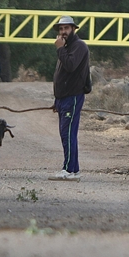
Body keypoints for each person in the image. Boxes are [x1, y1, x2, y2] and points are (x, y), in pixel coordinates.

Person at [48, 16, 89, 182]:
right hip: (64, 99)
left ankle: (68, 170)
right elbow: (62, 75)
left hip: (73, 97)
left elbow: (71, 66)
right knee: (66, 133)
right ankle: (74, 169)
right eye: (60, 29)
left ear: (73, 29)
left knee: (68, 134)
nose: (62, 32)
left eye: (66, 28)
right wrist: (57, 100)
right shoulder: (66, 47)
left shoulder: (78, 46)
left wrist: (59, 49)